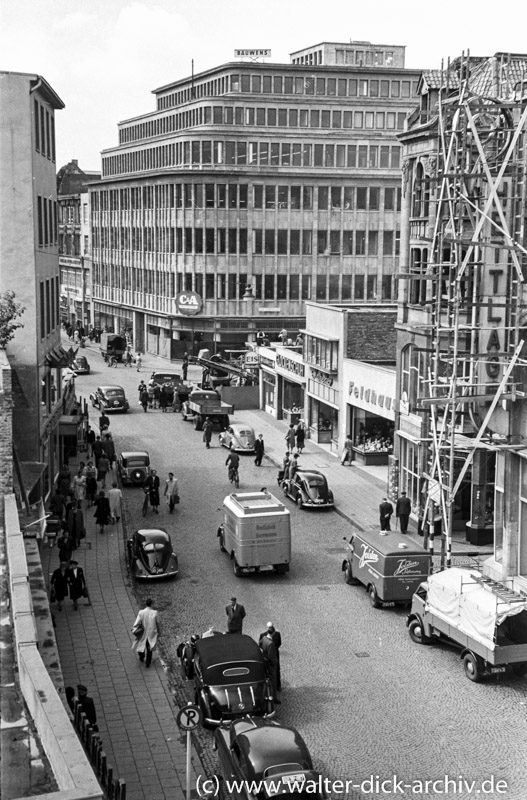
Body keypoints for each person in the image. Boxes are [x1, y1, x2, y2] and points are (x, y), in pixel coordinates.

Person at [132, 598, 160, 668]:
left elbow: (137, 622)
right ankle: (148, 662)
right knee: (149, 647)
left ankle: (141, 656)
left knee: (141, 645)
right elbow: (158, 623)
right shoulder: (155, 613)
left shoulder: (141, 612)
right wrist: (159, 631)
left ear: (146, 604)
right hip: (151, 633)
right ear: (151, 604)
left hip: (143, 632)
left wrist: (135, 628)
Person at [259, 622, 282, 691]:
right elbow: (260, 644)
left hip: (274, 655)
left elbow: (279, 643)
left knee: (277, 671)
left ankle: (278, 685)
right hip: (270, 657)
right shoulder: (263, 635)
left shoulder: (277, 634)